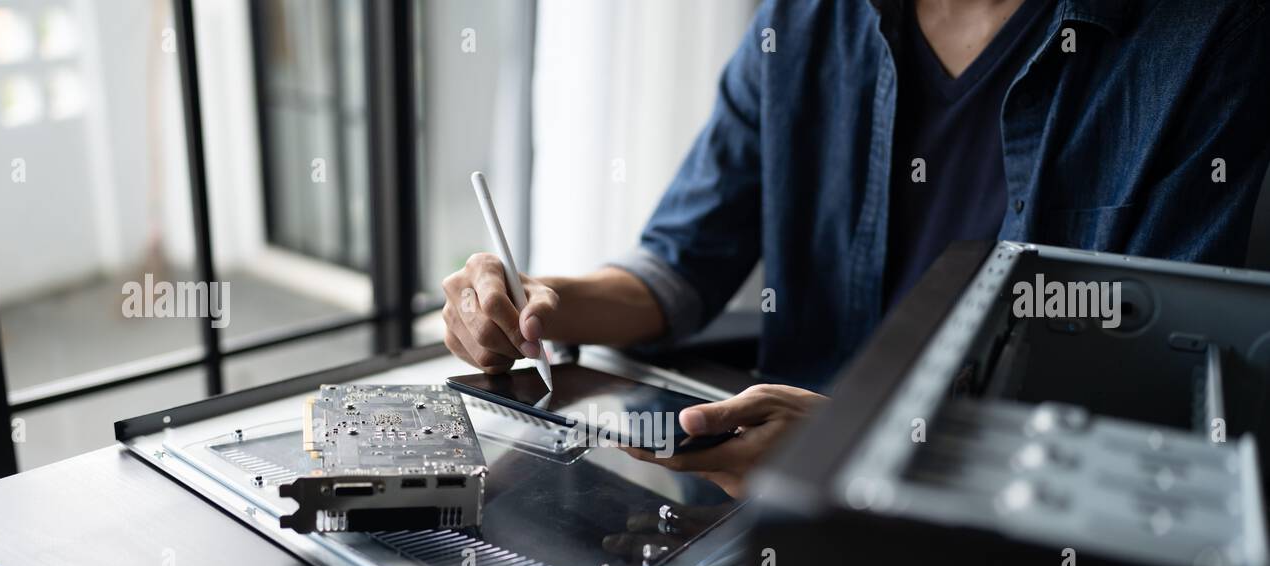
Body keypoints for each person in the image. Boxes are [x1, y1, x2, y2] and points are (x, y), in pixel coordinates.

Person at [440, 0, 1270, 497]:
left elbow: (1159, 411)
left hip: (998, 536)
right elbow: (682, 262)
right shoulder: (804, 20)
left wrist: (873, 438)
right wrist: (538, 297)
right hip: (768, 498)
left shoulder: (1205, 38)